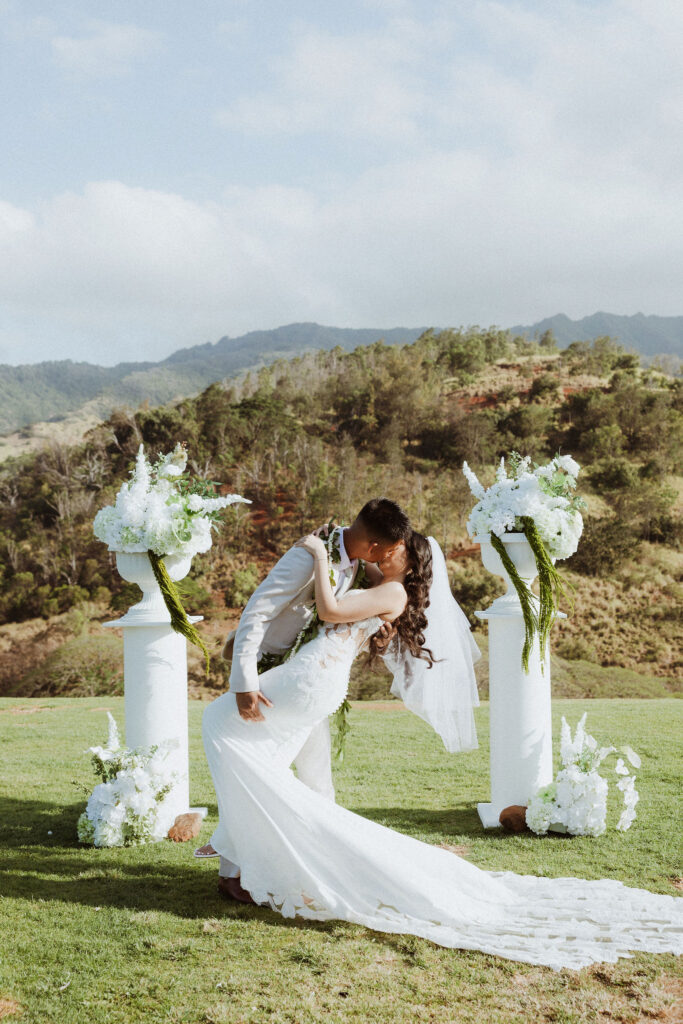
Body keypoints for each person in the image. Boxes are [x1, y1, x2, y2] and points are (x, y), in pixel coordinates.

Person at [199, 529, 682, 969]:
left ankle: (246, 858)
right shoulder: (381, 583)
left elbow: (328, 608)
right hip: (316, 679)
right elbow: (344, 587)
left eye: (398, 548)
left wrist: (317, 554)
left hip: (313, 680)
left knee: (227, 732)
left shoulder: (392, 589)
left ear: (411, 560)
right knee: (265, 765)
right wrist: (340, 557)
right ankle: (241, 858)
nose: (387, 550)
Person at [195, 498, 412, 884]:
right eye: (390, 549)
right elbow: (256, 611)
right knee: (275, 765)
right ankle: (250, 860)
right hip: (276, 673)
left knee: (283, 768)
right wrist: (244, 680)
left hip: (303, 679)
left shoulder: (359, 564)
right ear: (378, 547)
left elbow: (359, 606)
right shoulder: (307, 556)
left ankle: (283, 860)